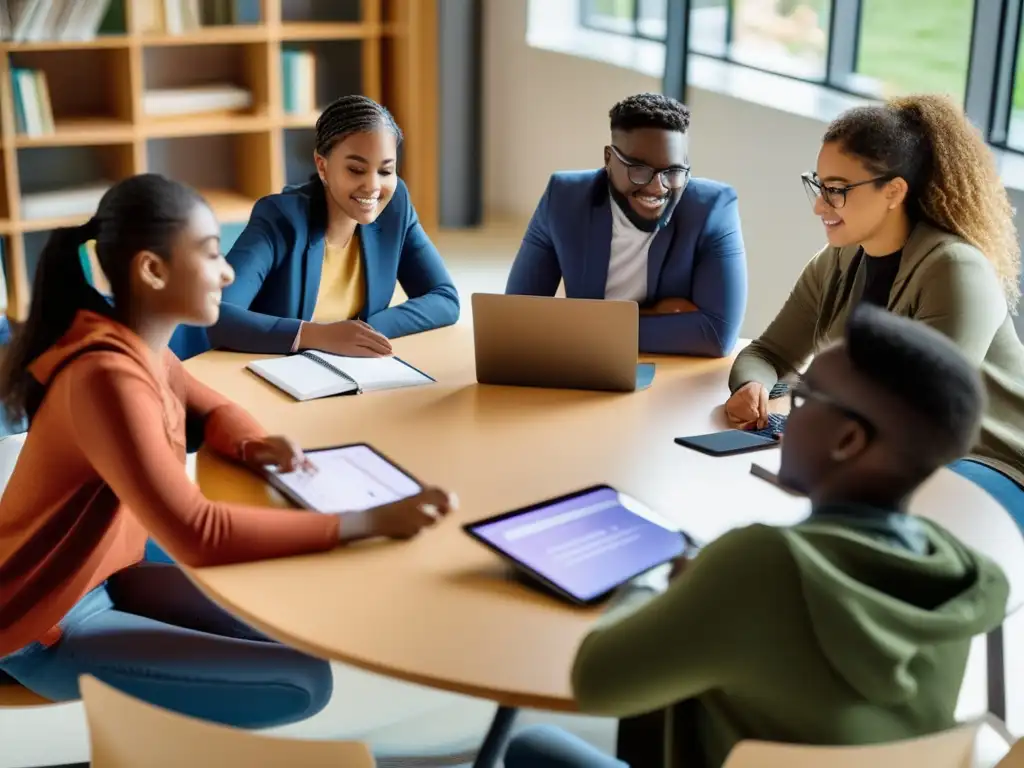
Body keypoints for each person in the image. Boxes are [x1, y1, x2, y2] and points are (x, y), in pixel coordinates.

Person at [0, 174, 456, 728]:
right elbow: (199, 532)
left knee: (304, 625)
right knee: (304, 683)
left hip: (113, 566)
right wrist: (361, 522)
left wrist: (253, 443)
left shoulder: (138, 344)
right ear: (152, 270)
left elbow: (213, 408)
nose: (228, 273)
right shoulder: (105, 376)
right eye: (212, 254)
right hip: (44, 620)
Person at [503, 305, 1009, 768]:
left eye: (804, 397)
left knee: (531, 747)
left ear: (848, 440)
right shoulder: (963, 574)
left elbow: (595, 682)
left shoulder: (760, 563)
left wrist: (656, 576)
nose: (784, 415)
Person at [726, 94, 1024, 528]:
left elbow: (923, 414)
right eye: (819, 184)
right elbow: (768, 352)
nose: (819, 205)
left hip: (988, 461)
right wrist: (754, 385)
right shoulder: (839, 259)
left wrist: (817, 429)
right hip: (885, 451)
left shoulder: (956, 269)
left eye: (837, 190)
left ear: (894, 192)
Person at [202, 95, 459, 358]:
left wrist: (362, 332)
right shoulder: (280, 218)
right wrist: (320, 336)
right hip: (268, 370)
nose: (373, 186)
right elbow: (217, 314)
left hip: (347, 371)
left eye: (385, 171)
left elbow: (444, 299)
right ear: (322, 166)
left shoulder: (395, 206)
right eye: (356, 170)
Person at [505, 93, 747, 357]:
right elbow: (517, 319)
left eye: (674, 172)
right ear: (609, 159)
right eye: (639, 169)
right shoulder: (565, 199)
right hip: (586, 365)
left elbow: (716, 334)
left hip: (668, 371)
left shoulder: (713, 208)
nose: (658, 187)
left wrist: (578, 324)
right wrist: (655, 315)